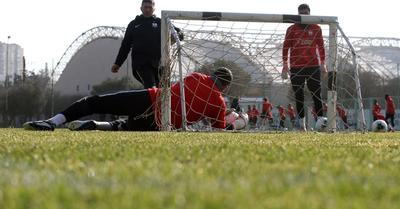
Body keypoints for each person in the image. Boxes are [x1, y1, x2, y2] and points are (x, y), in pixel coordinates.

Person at [23, 68, 233, 131]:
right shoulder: (219, 104)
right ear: (226, 87)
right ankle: (96, 125)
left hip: (151, 99)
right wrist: (233, 122)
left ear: (212, 75)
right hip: (161, 125)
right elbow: (218, 132)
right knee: (124, 127)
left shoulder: (197, 77)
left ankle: (53, 122)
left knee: (95, 102)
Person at [111, 0, 183, 89]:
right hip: (141, 64)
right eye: (145, 7)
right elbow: (125, 46)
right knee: (151, 87)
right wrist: (118, 63)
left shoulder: (160, 22)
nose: (148, 9)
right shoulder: (134, 24)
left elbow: (179, 32)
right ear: (141, 8)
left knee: (164, 91)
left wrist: (176, 36)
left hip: (160, 64)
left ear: (154, 9)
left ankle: (154, 102)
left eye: (150, 7)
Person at [282, 3, 327, 131]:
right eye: (301, 13)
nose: (304, 16)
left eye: (306, 13)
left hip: (313, 66)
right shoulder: (291, 29)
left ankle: (320, 122)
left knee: (316, 94)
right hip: (296, 67)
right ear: (298, 14)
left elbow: (321, 47)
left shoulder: (316, 28)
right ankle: (302, 124)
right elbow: (286, 47)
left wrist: (323, 63)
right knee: (299, 95)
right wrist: (285, 64)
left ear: (309, 14)